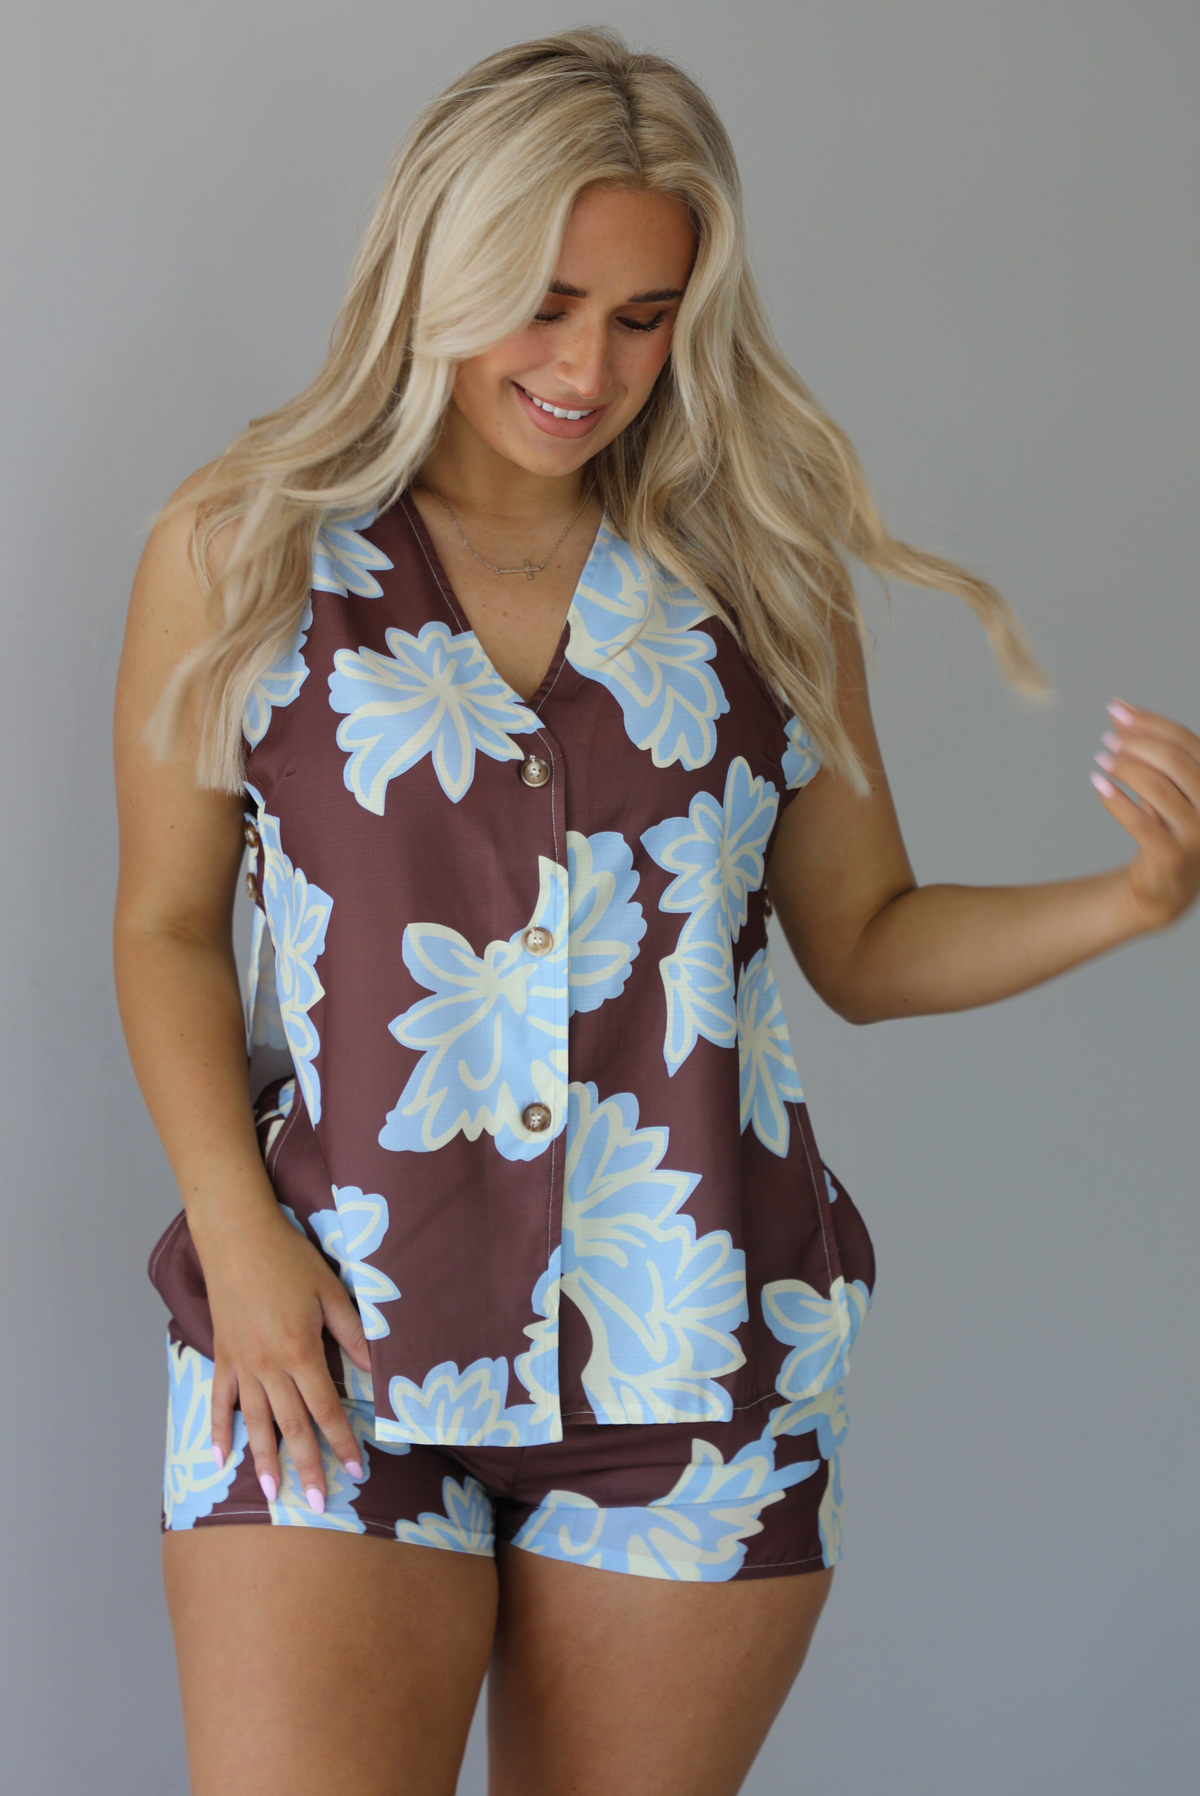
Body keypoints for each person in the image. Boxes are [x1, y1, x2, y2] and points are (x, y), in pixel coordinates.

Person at [112, 27, 1200, 1796]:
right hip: (327, 1327)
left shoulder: (757, 575)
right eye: (541, 304)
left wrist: (1133, 900)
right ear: (435, 267)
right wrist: (237, 1239)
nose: (588, 368)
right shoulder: (245, 548)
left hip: (697, 1352)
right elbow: (165, 921)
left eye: (643, 315)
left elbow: (867, 941)